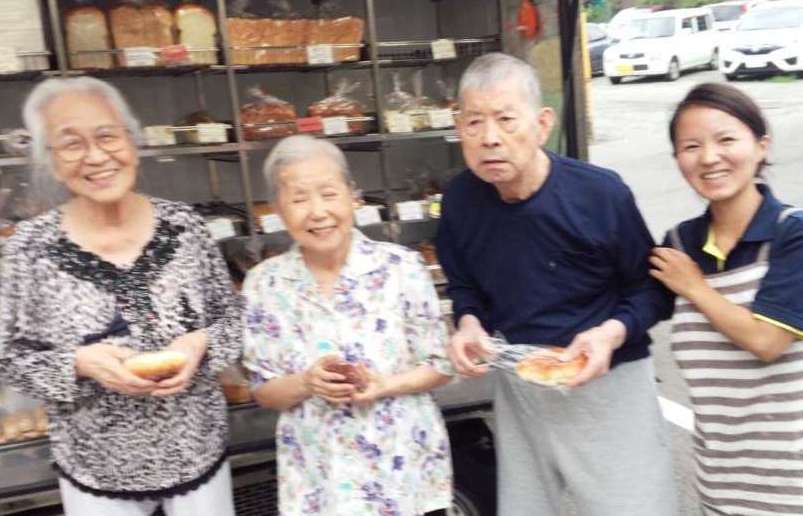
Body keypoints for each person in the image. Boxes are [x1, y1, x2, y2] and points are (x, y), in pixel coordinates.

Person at [435, 52, 677, 515]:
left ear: (542, 124)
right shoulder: (460, 200)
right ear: (459, 127)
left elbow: (652, 291)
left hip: (609, 382)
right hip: (521, 383)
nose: (490, 138)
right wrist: (469, 323)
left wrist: (611, 334)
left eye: (506, 119)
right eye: (474, 122)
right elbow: (464, 285)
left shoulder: (599, 194)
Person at [0, 77, 242, 515]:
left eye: (107, 136)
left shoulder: (185, 227)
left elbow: (233, 320)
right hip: (96, 467)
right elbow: (8, 356)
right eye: (71, 144)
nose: (96, 156)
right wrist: (78, 362)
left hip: (198, 449)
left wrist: (200, 343)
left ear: (132, 140)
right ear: (50, 161)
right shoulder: (29, 248)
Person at [241, 134, 453, 516]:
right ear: (278, 210)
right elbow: (264, 392)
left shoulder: (400, 267)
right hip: (319, 483)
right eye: (299, 199)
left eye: (328, 193)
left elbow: (440, 365)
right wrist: (307, 383)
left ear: (353, 197)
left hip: (403, 477)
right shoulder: (263, 284)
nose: (317, 212)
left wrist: (385, 385)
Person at [650, 83, 803, 516]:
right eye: (691, 146)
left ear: (761, 146)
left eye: (726, 140)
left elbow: (767, 341)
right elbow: (632, 307)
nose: (709, 157)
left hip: (792, 487)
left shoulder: (792, 234)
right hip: (720, 486)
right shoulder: (680, 243)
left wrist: (696, 287)